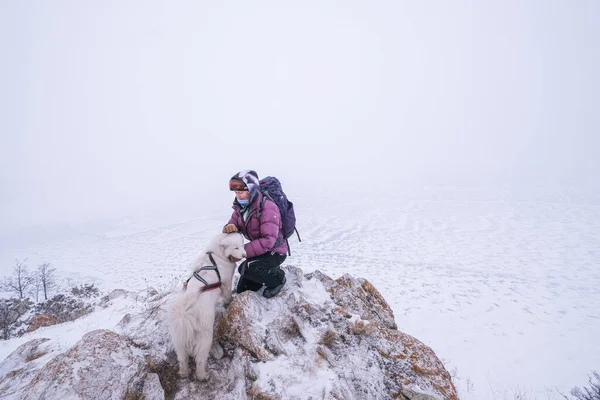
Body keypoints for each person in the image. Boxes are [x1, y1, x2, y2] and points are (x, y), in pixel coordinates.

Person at [223, 170, 287, 298]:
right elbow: (233, 224)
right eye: (236, 193)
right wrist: (229, 228)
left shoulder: (267, 207)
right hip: (260, 251)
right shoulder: (240, 208)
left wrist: (241, 252)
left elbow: (268, 240)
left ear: (251, 190)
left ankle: (279, 278)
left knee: (246, 268)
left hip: (275, 251)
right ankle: (261, 277)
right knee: (242, 290)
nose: (238, 196)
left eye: (241, 192)